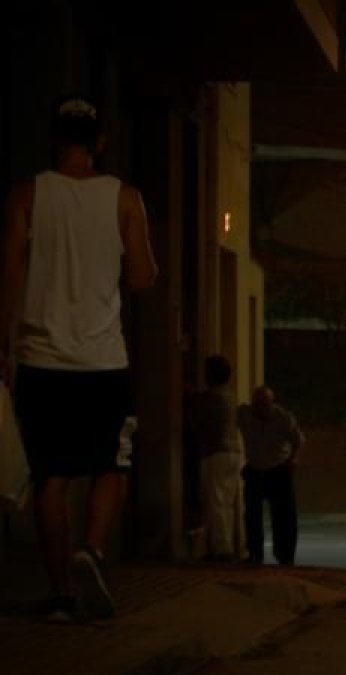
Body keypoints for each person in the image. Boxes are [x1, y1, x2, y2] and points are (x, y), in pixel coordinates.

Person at [0, 97, 158, 622]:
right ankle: (91, 547)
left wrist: (3, 345)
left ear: (55, 139)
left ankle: (62, 596)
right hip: (102, 360)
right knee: (112, 464)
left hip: (40, 359)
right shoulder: (125, 198)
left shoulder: (27, 195)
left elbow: (9, 275)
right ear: (100, 143)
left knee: (50, 478)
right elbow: (142, 277)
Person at [238, 386, 304, 566]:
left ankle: (285, 555)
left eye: (264, 405)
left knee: (284, 516)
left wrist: (293, 459)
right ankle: (255, 553)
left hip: (278, 469)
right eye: (257, 405)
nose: (260, 410)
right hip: (255, 469)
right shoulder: (245, 414)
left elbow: (298, 440)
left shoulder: (283, 418)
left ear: (271, 403)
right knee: (252, 515)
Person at [191, 355, 245, 561]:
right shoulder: (231, 396)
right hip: (234, 451)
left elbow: (198, 421)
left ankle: (222, 549)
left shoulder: (209, 398)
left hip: (215, 451)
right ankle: (234, 545)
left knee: (217, 502)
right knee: (230, 502)